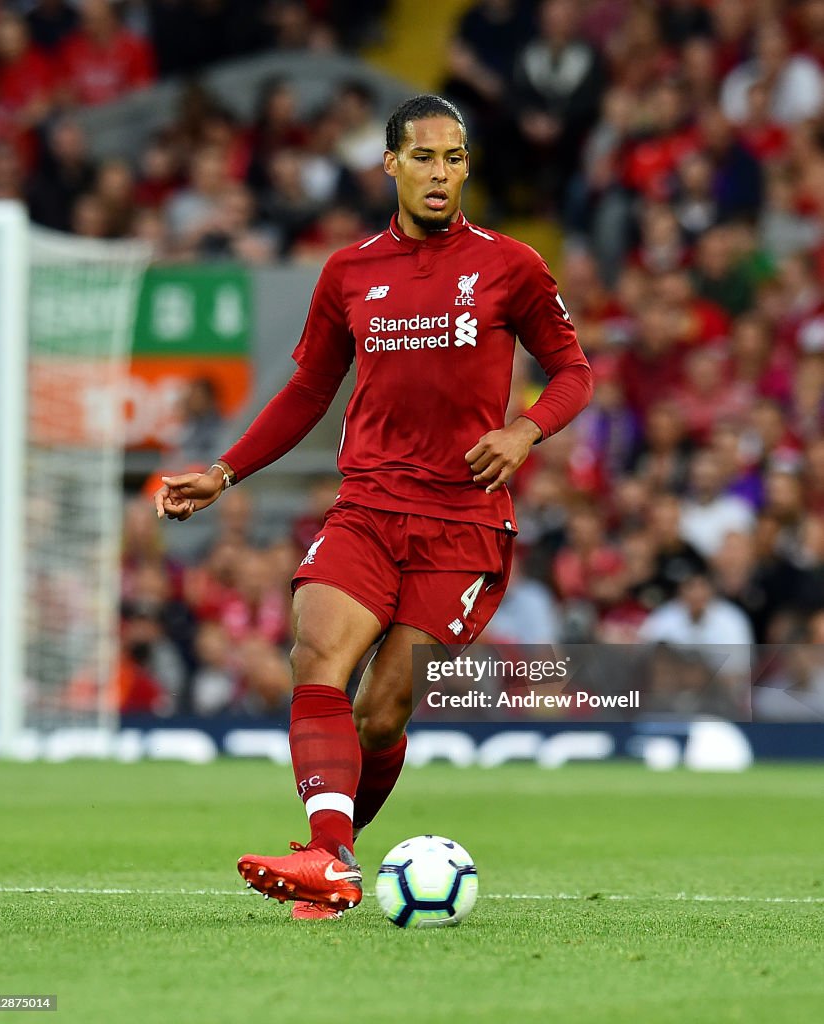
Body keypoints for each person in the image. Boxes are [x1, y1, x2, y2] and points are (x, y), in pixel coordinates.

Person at [155, 94, 592, 919]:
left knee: (382, 711)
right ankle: (328, 856)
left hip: (463, 521)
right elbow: (308, 390)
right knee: (316, 649)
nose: (439, 172)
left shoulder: (512, 265)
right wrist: (224, 471)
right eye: (423, 156)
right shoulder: (347, 272)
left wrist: (526, 431)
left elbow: (574, 372)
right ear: (389, 164)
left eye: (454, 157)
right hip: (367, 504)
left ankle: (333, 856)